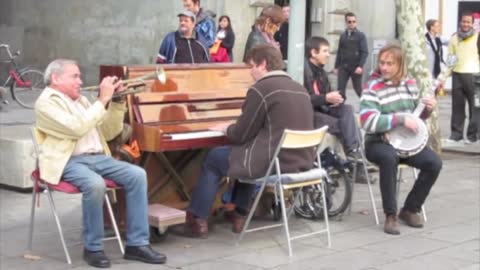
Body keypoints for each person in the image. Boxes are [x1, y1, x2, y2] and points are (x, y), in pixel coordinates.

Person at [35, 59, 167, 268]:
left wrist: (116, 102)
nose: (80, 81)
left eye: (80, 76)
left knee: (137, 175)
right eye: (75, 76)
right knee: (95, 184)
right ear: (56, 78)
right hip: (69, 161)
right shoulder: (46, 103)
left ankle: (137, 244)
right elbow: (76, 128)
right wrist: (102, 99)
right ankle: (93, 248)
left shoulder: (82, 102)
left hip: (98, 157)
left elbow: (108, 132)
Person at [177, 44, 315, 238]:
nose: (250, 72)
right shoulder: (299, 89)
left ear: (263, 64)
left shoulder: (262, 88)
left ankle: (197, 220)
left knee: (215, 158)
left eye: (252, 66)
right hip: (300, 162)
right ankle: (239, 215)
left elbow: (240, 134)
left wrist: (226, 127)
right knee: (246, 151)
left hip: (272, 164)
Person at [360, 44, 442, 235]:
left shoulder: (410, 84)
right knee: (389, 158)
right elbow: (367, 120)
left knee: (434, 162)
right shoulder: (372, 87)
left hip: (405, 143)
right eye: (382, 63)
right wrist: (399, 119)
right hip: (377, 142)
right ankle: (390, 215)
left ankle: (410, 209)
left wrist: (427, 109)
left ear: (400, 65)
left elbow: (416, 119)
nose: (385, 67)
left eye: (390, 63)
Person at [440, 12, 479, 143]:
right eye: (463, 21)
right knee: (457, 107)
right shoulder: (454, 38)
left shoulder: (478, 37)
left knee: (476, 108)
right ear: (460, 22)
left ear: (472, 23)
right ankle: (456, 135)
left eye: (468, 22)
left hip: (475, 76)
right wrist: (443, 78)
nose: (465, 24)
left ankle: (473, 136)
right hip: (457, 75)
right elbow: (451, 59)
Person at [334, 12, 369, 98]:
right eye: (350, 22)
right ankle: (340, 108)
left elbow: (364, 52)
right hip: (343, 67)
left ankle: (367, 104)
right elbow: (339, 52)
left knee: (358, 89)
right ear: (346, 22)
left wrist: (360, 66)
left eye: (354, 21)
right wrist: (336, 66)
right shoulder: (343, 36)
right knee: (340, 90)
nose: (352, 23)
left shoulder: (361, 35)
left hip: (355, 67)